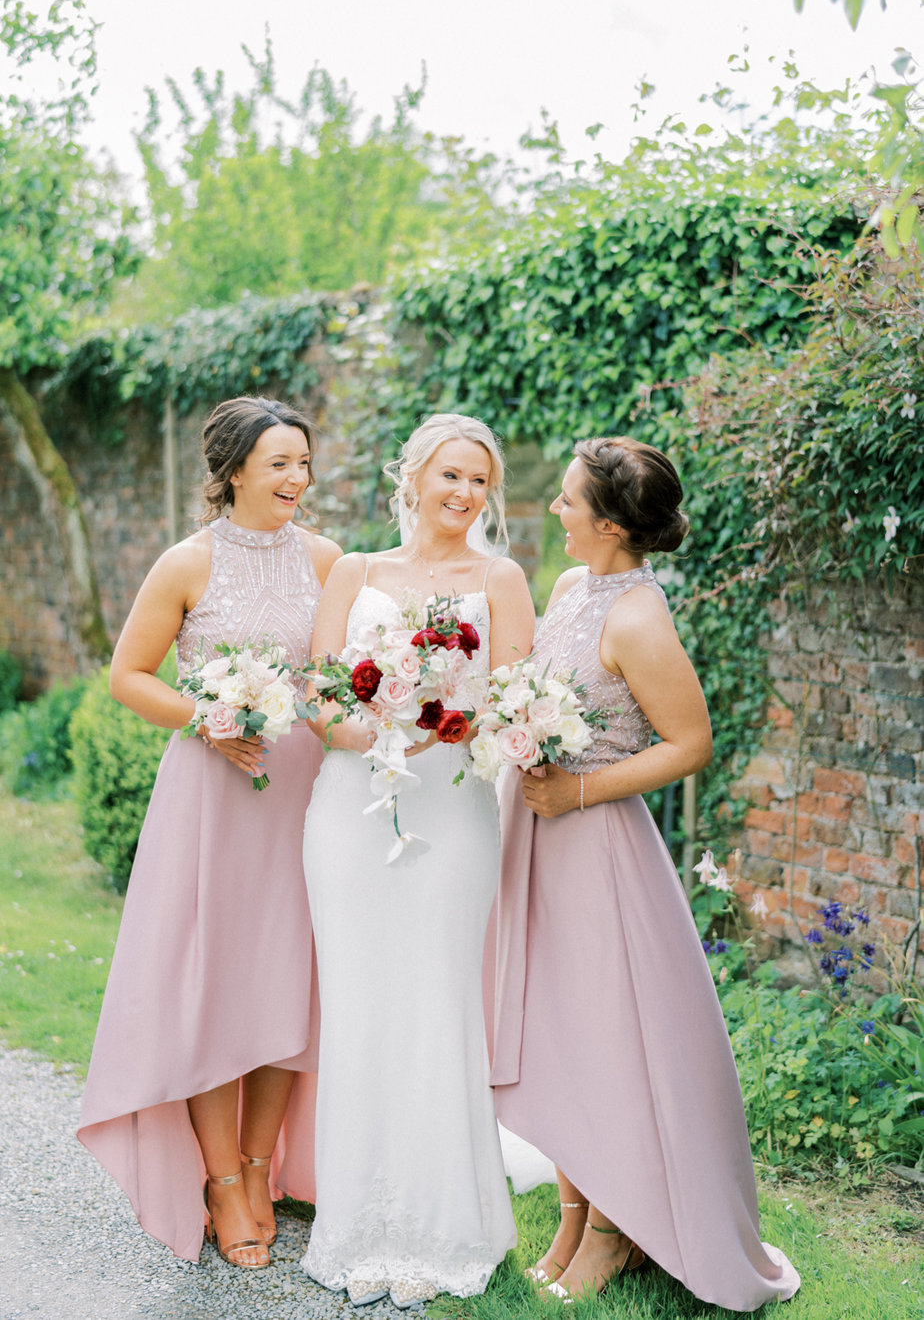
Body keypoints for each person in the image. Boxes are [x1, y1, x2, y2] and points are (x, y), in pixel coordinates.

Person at [491, 436, 801, 1311]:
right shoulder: (568, 588)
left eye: (565, 501)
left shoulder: (638, 619)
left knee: (606, 1041)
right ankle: (572, 1214)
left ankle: (615, 1235)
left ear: (611, 523)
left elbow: (691, 744)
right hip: (540, 838)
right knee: (556, 1034)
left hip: (598, 851)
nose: (553, 510)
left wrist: (579, 787)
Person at [78, 395, 341, 1267]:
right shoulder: (186, 564)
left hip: (304, 795)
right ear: (232, 473)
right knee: (216, 985)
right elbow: (128, 675)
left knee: (285, 983)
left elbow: (339, 682)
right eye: (279, 465)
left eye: (303, 463)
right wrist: (205, 718)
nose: (298, 480)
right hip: (211, 800)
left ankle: (262, 1166)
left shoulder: (330, 562)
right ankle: (220, 1179)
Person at [300, 412, 534, 1309]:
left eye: (480, 482)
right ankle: (360, 1224)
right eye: (452, 476)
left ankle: (445, 1229)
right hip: (351, 809)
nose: (466, 495)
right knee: (360, 1005)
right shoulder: (355, 573)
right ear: (414, 478)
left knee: (438, 1000)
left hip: (451, 807)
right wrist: (367, 729)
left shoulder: (500, 577)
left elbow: (515, 702)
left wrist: (457, 721)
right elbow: (317, 690)